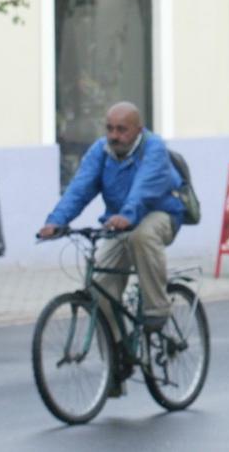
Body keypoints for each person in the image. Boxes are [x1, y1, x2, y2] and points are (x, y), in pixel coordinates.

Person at [39, 101, 185, 334]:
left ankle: (157, 309)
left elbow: (144, 187)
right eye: (109, 128)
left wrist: (127, 215)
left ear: (138, 129)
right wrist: (56, 221)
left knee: (142, 235)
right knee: (99, 287)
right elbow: (80, 188)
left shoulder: (153, 147)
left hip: (161, 214)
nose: (113, 136)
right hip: (121, 221)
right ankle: (116, 352)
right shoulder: (101, 151)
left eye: (121, 129)